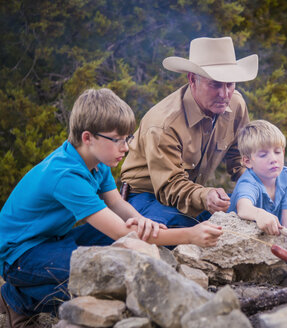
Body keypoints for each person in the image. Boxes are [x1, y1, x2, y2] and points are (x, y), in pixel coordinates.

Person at [0, 88, 222, 327]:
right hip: (20, 254)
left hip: (52, 240)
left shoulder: (97, 162)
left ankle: (20, 295)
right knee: (104, 273)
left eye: (127, 138)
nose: (125, 147)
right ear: (88, 137)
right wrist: (191, 236)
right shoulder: (65, 176)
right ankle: (17, 300)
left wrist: (141, 220)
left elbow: (116, 203)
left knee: (119, 250)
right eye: (117, 139)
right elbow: (120, 232)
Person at [120, 36, 258, 229]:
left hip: (192, 193)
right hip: (147, 195)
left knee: (241, 221)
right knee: (181, 225)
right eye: (215, 84)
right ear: (193, 79)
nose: (224, 94)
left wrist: (257, 188)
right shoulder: (163, 124)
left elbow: (240, 158)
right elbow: (169, 186)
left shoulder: (236, 104)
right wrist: (205, 196)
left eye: (230, 84)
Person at [228, 120, 287, 236]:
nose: (273, 159)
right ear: (247, 161)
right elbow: (244, 208)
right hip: (241, 238)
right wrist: (259, 214)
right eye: (263, 155)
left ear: (283, 152)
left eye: (277, 152)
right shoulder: (248, 181)